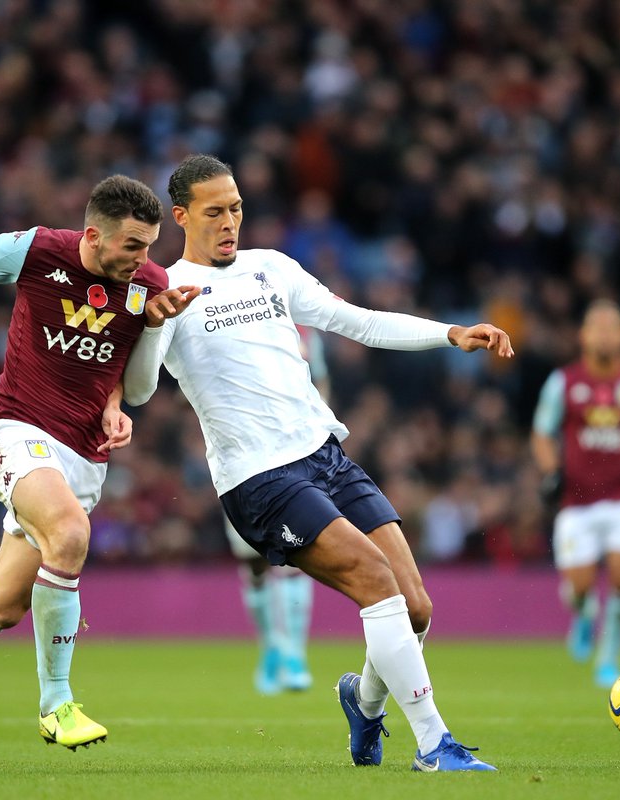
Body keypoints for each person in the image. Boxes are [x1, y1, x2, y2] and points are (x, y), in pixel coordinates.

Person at [123, 154, 514, 772]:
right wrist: (150, 326)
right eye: (215, 211)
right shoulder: (167, 292)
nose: (231, 222)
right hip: (259, 479)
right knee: (375, 582)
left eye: (237, 208)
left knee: (415, 609)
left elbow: (353, 320)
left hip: (324, 456)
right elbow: (139, 391)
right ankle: (435, 745)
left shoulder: (269, 268)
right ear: (181, 217)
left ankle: (364, 705)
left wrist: (448, 333)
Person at [0, 175, 170, 751]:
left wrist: (117, 403)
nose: (143, 259)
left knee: (3, 609)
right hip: (15, 427)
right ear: (94, 235)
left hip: (84, 456)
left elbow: (131, 381)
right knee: (71, 534)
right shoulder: (35, 249)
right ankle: (57, 706)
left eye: (149, 246)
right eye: (132, 246)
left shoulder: (149, 284)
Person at [530, 299, 620, 689]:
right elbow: (543, 431)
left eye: (613, 328)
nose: (605, 334)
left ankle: (608, 659)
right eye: (598, 327)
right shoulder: (565, 382)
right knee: (579, 588)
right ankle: (584, 613)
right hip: (576, 502)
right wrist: (549, 471)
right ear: (583, 336)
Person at [230, 325, 326, 695]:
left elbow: (320, 384)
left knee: (297, 555)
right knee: (253, 563)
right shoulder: (229, 320)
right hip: (240, 459)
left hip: (293, 455)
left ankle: (294, 654)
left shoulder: (303, 333)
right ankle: (270, 646)